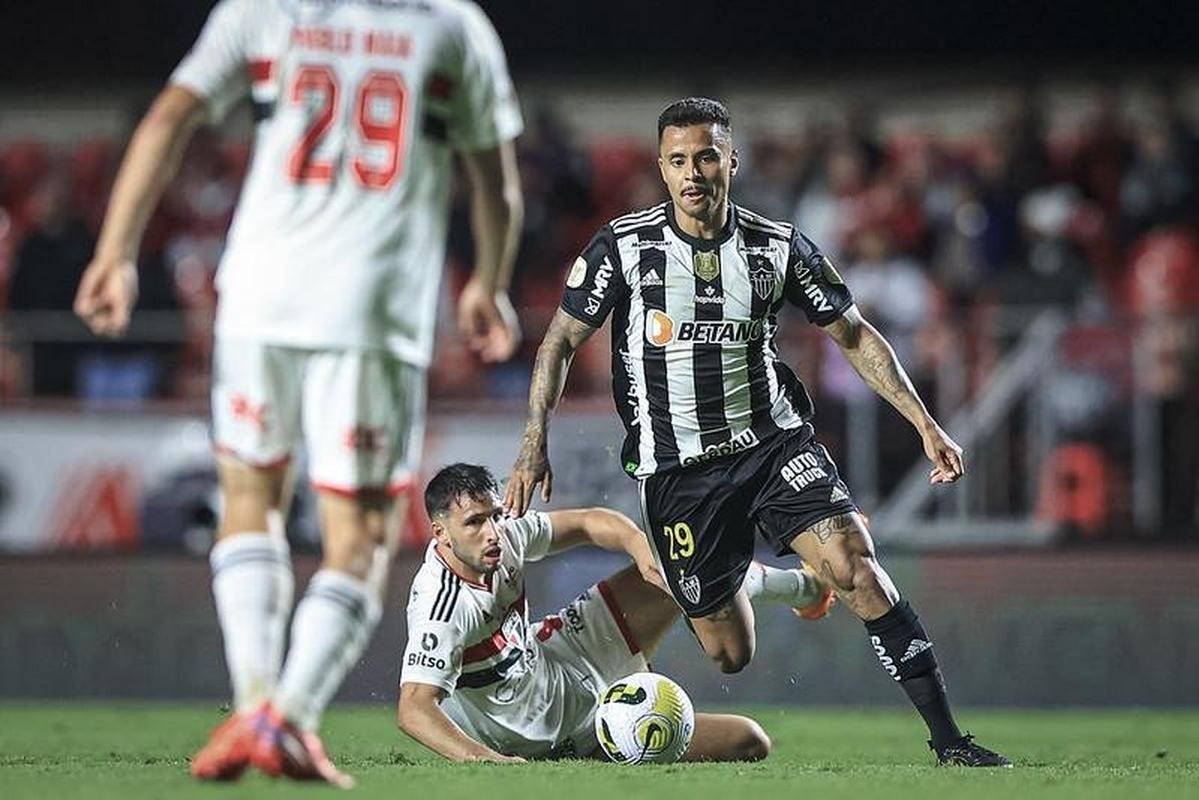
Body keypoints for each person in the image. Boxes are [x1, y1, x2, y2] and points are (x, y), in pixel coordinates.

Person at [73, 0, 524, 786]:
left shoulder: (260, 10)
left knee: (249, 503)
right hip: (369, 310)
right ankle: (288, 718)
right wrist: (487, 280)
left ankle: (252, 706)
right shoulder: (452, 26)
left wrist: (115, 251)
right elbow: (498, 183)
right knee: (359, 537)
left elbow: (166, 118)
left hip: (255, 295)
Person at [506, 97, 1011, 767]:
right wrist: (532, 443)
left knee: (857, 568)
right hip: (678, 472)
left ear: (731, 161)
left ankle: (950, 742)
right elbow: (561, 340)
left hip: (772, 446)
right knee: (728, 653)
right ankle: (785, 581)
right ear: (661, 168)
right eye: (679, 160)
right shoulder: (623, 249)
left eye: (707, 157)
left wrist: (923, 422)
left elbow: (852, 334)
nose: (694, 173)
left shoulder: (776, 247)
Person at [398, 463, 833, 762]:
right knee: (749, 741)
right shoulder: (442, 605)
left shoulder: (504, 537)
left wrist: (644, 553)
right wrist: (486, 760)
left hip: (564, 653)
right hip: (565, 731)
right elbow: (414, 710)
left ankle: (805, 587)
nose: (491, 532)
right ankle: (617, 734)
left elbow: (590, 521)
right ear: (440, 534)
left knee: (679, 565)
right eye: (474, 522)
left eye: (493, 515)